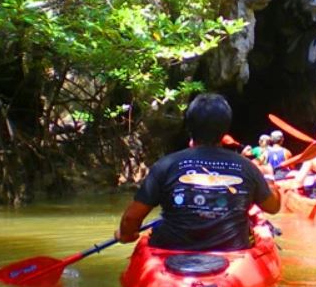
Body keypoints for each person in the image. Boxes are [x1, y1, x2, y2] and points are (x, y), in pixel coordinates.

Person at [115, 94, 281, 251]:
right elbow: (273, 207)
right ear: (226, 129)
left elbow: (131, 218)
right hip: (232, 250)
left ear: (189, 126)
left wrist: (126, 235)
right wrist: (269, 177)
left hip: (171, 249)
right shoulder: (247, 167)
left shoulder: (165, 165)